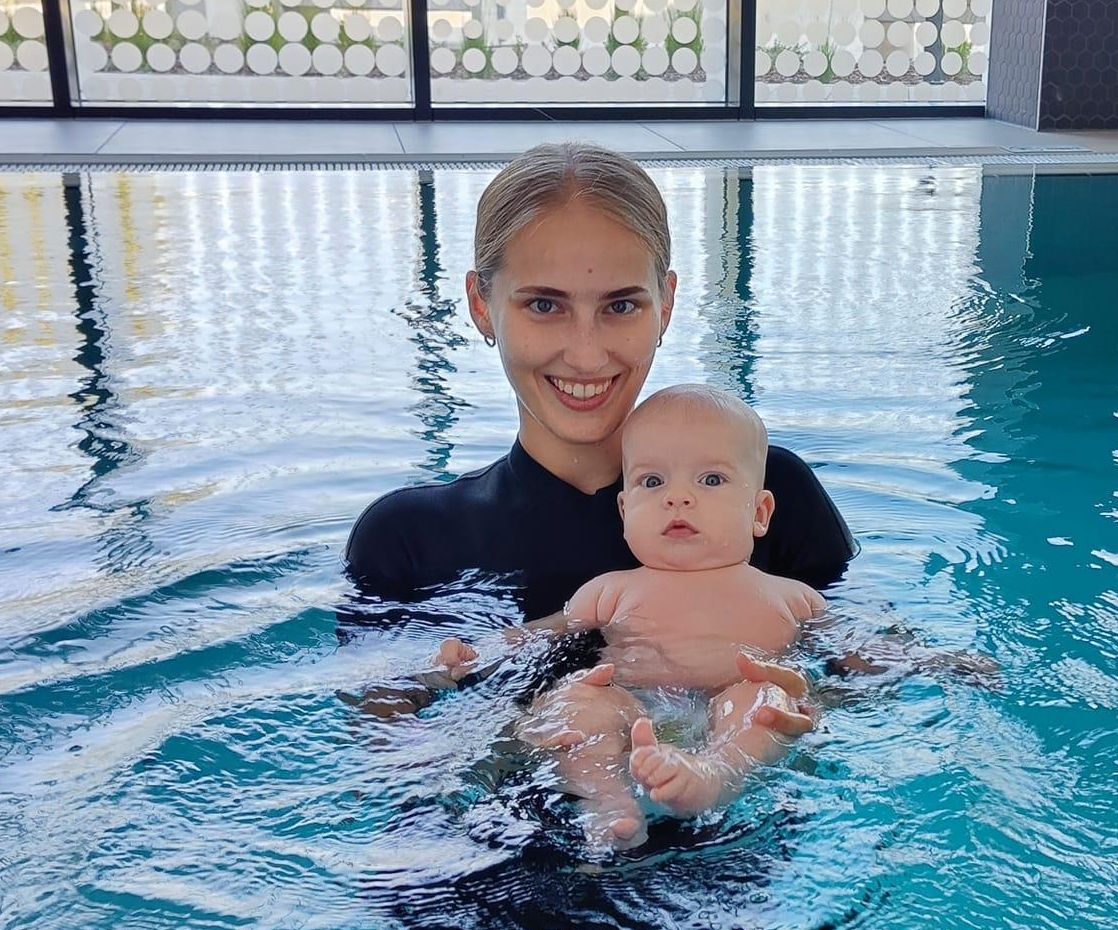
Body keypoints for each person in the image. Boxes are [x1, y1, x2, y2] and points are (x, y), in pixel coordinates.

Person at [344, 142, 858, 749]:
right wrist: (517, 741)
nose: (587, 355)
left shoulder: (769, 490)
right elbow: (389, 759)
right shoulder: (407, 541)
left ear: (666, 304)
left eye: (620, 305)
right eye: (544, 305)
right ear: (481, 306)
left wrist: (798, 708)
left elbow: (874, 673)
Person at [427, 384, 828, 849]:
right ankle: (607, 801)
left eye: (711, 480)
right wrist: (477, 654)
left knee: (767, 699)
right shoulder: (611, 590)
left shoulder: (793, 597)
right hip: (632, 705)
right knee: (576, 700)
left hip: (733, 707)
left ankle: (714, 775)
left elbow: (860, 650)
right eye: (653, 482)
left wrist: (893, 661)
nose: (678, 498)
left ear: (760, 512)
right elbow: (538, 635)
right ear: (624, 510)